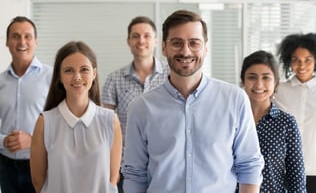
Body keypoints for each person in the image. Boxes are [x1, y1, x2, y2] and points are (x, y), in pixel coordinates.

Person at [122, 10, 264, 193]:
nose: (185, 51)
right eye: (176, 43)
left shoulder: (235, 100)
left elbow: (249, 166)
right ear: (164, 48)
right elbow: (135, 174)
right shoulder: (141, 108)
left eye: (194, 43)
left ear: (205, 47)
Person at [30, 41, 122, 193]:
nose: (77, 77)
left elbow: (112, 181)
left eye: (84, 69)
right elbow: (38, 182)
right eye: (69, 71)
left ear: (94, 74)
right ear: (59, 76)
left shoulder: (110, 120)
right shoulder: (45, 122)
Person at [102, 16, 169, 192]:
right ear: (128, 41)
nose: (141, 40)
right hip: (127, 167)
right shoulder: (114, 79)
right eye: (136, 36)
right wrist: (111, 168)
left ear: (156, 41)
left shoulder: (171, 76)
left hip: (164, 164)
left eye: (147, 36)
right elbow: (105, 127)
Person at [273, 33, 316, 193]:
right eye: (296, 59)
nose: (301, 65)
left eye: (307, 60)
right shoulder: (278, 90)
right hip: (284, 171)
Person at [240, 50, 306, 192]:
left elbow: (297, 179)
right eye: (252, 77)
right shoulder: (232, 120)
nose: (259, 85)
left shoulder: (287, 123)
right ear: (243, 80)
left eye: (266, 78)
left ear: (275, 82)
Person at [0, 16, 52, 193]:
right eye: (15, 36)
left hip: (41, 163)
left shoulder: (52, 78)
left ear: (36, 41)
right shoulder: (0, 82)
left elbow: (63, 124)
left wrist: (33, 140)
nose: (22, 42)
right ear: (7, 42)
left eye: (27, 36)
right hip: (6, 167)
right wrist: (3, 140)